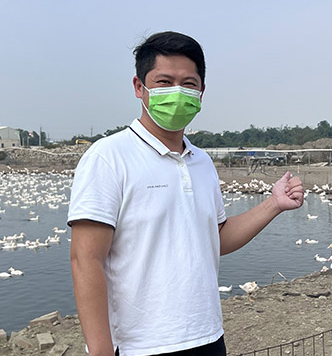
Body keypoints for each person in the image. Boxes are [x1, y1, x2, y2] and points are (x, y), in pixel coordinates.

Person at [68, 31, 304, 356]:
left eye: (188, 84)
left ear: (202, 92)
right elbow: (86, 259)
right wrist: (101, 351)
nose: (177, 92)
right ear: (140, 87)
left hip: (208, 337)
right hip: (141, 347)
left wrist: (274, 204)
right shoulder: (108, 157)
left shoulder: (202, 161)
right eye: (164, 82)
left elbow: (215, 239)